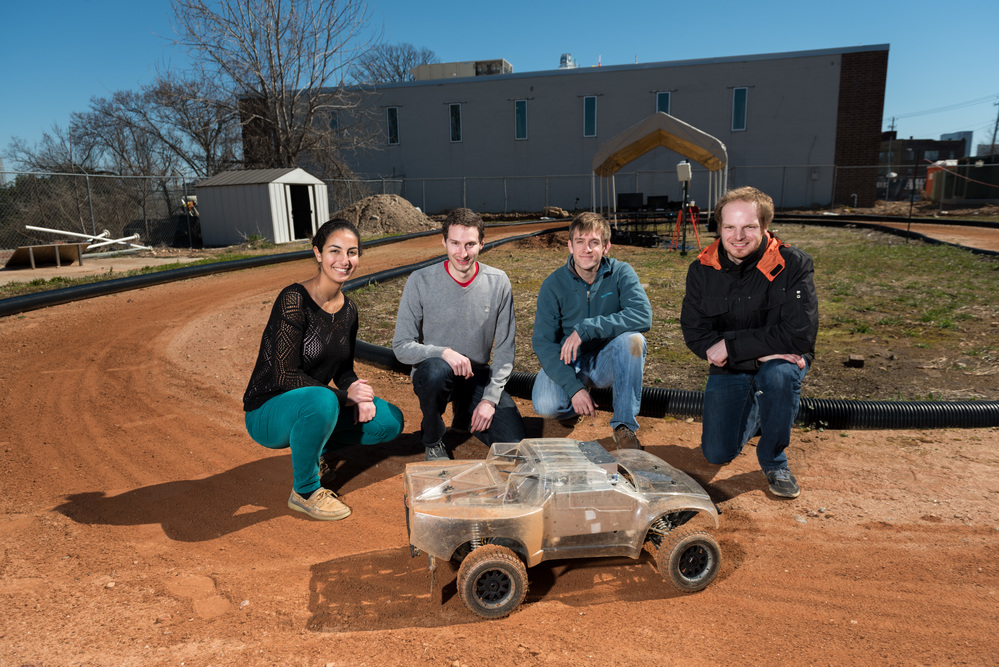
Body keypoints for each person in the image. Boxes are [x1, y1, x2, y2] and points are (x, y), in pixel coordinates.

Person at [243, 219, 404, 520]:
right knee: (323, 399)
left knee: (389, 420)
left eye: (352, 252)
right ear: (317, 253)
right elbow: (283, 374)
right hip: (268, 411)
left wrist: (361, 394)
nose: (344, 260)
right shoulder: (293, 300)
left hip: (316, 404)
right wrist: (345, 398)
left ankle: (313, 450)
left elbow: (343, 369)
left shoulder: (350, 310)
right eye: (335, 251)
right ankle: (304, 491)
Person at [680, 186, 818, 499]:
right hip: (734, 367)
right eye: (729, 227)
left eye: (749, 227)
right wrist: (755, 357)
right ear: (719, 227)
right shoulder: (702, 269)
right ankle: (760, 403)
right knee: (717, 453)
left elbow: (800, 334)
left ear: (765, 227)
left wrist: (730, 346)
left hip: (776, 361)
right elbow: (696, 333)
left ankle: (773, 460)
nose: (738, 236)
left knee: (779, 375)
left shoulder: (793, 264)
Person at [393, 208, 526, 460]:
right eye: (454, 243)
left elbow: (505, 351)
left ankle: (465, 410)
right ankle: (432, 437)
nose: (462, 253)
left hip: (477, 375)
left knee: (512, 444)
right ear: (443, 241)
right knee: (435, 371)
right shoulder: (420, 280)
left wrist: (489, 400)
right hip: (435, 373)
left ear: (482, 244)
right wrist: (442, 352)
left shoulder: (498, 282)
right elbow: (401, 346)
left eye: (470, 244)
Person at [531, 211, 653, 449]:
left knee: (634, 341)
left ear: (606, 247)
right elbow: (543, 343)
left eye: (594, 243)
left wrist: (586, 329)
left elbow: (642, 315)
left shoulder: (620, 273)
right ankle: (576, 396)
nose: (586, 249)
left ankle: (624, 426)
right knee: (546, 406)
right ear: (569, 245)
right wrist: (574, 388)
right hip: (566, 360)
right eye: (580, 242)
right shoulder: (553, 284)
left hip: (605, 360)